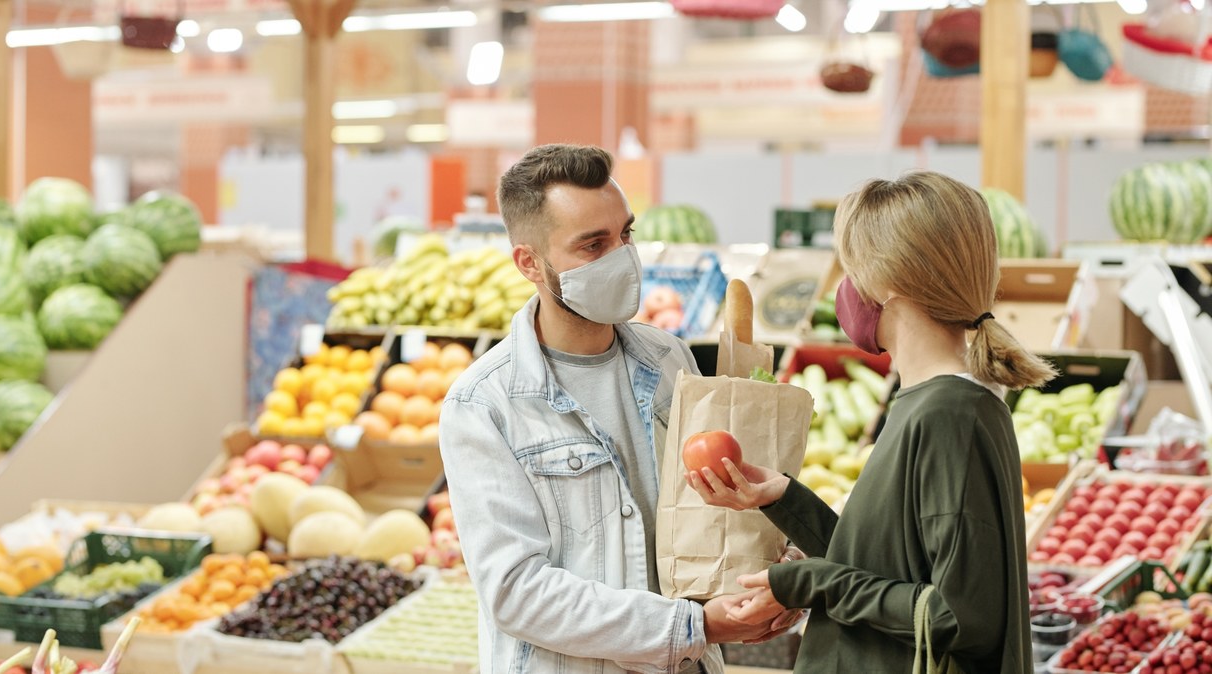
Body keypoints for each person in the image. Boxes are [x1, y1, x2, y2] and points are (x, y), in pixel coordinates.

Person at [687, 171, 1050, 674]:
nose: (845, 287)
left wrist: (811, 583)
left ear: (890, 281)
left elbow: (963, 617)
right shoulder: (925, 401)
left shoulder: (950, 415)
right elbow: (889, 566)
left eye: (851, 268)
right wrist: (787, 501)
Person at [439, 144, 776, 674]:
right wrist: (694, 625)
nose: (621, 257)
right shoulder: (484, 404)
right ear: (530, 263)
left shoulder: (669, 358)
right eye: (593, 246)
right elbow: (516, 592)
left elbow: (704, 514)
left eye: (625, 235)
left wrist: (767, 568)